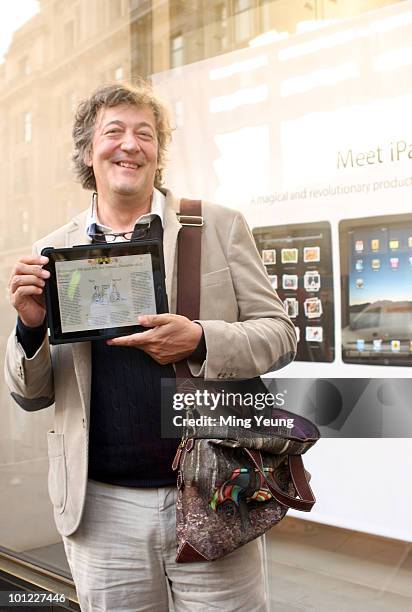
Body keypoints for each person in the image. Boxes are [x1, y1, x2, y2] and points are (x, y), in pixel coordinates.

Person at [5, 82, 297, 611]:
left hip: (213, 490)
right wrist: (30, 329)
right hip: (101, 509)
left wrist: (202, 338)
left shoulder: (216, 225)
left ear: (158, 153)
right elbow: (30, 393)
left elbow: (279, 335)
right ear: (87, 151)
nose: (130, 144)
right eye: (113, 131)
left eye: (145, 134)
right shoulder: (53, 250)